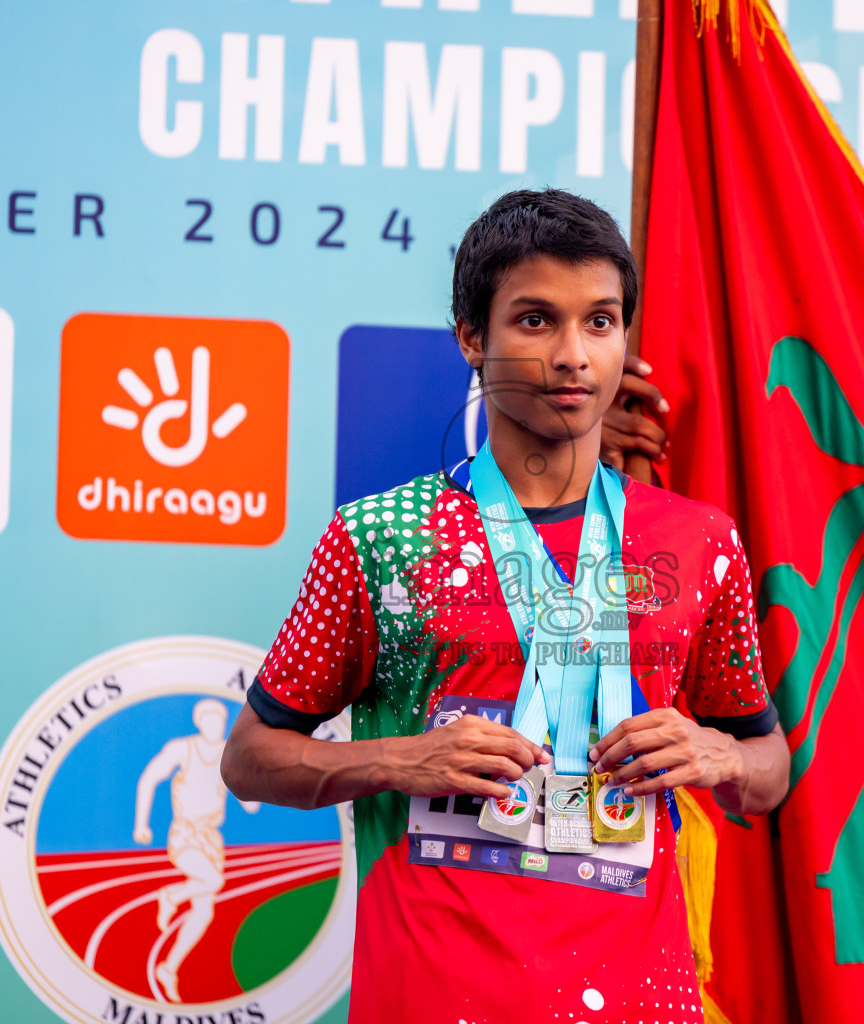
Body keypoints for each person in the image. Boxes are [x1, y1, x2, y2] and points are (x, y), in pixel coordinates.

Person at [222, 188, 789, 1022]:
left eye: (600, 321)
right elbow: (249, 758)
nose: (573, 355)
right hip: (433, 997)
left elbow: (767, 772)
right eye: (535, 320)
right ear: (470, 338)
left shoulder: (701, 542)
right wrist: (395, 761)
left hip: (641, 1000)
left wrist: (721, 758)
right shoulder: (380, 536)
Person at [134, 697, 260, 1003]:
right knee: (212, 882)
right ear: (199, 722)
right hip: (185, 835)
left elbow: (251, 804)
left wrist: (255, 784)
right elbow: (149, 778)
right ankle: (171, 895)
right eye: (209, 719)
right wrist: (141, 823)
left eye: (219, 720)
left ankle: (169, 968)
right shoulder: (182, 748)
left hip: (211, 839)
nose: (215, 725)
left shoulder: (229, 754)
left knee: (203, 914)